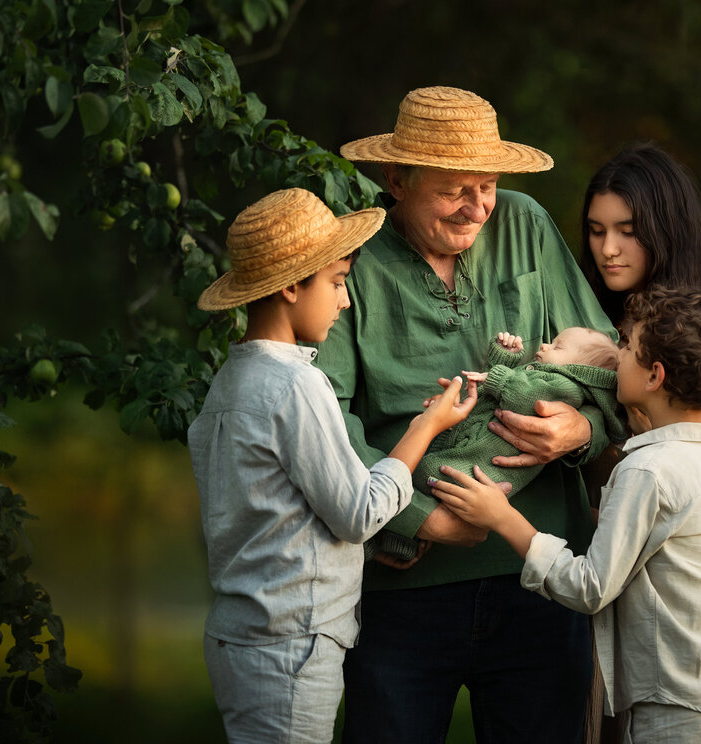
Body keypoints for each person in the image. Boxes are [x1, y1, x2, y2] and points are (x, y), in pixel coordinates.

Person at [319, 86, 616, 743]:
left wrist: (582, 430)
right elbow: (322, 421)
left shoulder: (525, 223)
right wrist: (420, 519)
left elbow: (611, 371)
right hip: (401, 590)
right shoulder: (353, 258)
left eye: (487, 184)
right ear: (396, 179)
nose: (478, 205)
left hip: (541, 576)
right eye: (456, 188)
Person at [187, 187, 478, 743]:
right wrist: (426, 428)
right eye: (339, 283)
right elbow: (360, 511)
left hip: (241, 635)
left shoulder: (229, 382)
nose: (345, 302)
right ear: (293, 287)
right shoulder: (297, 384)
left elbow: (274, 514)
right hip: (291, 640)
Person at [430, 285, 701, 744]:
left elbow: (590, 587)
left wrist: (502, 517)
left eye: (626, 346)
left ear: (654, 376)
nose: (615, 352)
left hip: (674, 706)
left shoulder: (646, 470)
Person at [579, 142, 701, 484]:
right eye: (596, 230)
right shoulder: (580, 323)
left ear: (667, 231)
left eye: (628, 231)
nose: (607, 249)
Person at [369, 327, 628, 562]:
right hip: (477, 454)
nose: (545, 346)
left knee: (427, 472)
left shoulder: (565, 387)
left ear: (579, 369)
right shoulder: (543, 376)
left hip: (483, 470)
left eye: (558, 347)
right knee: (425, 478)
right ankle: (398, 542)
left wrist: (498, 375)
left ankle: (391, 538)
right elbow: (501, 394)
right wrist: (503, 361)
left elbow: (526, 398)